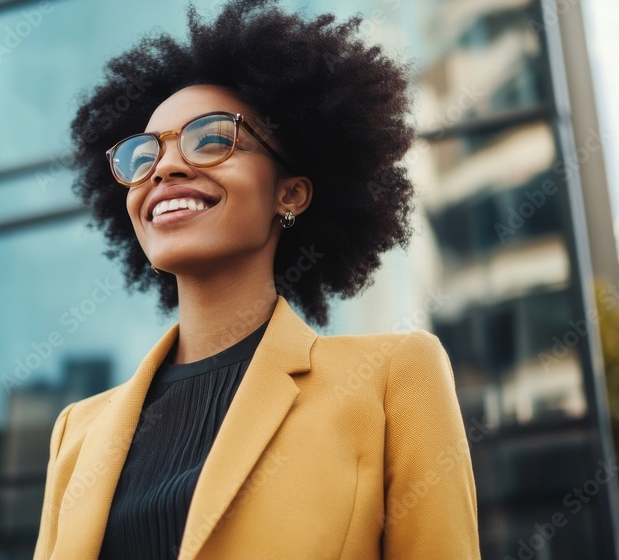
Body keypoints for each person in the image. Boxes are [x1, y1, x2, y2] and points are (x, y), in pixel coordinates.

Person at [34, 0, 481, 558]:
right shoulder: (76, 433)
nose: (166, 169)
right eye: (142, 156)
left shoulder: (392, 379)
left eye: (213, 138)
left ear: (289, 193)